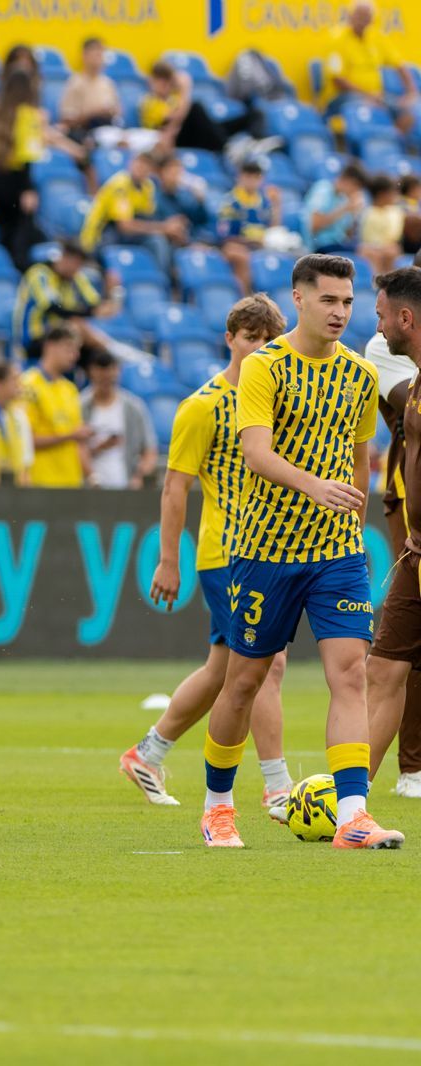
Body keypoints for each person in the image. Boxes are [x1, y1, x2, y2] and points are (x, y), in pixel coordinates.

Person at [195, 253, 401, 849]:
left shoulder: (360, 375)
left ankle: (353, 817)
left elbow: (359, 459)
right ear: (300, 299)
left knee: (351, 675)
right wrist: (316, 486)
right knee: (243, 682)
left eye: (348, 302)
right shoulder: (265, 367)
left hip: (337, 554)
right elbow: (256, 453)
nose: (339, 312)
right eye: (328, 300)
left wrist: (354, 520)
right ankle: (218, 806)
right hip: (266, 550)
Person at [134, 294, 293, 811]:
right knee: (267, 663)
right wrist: (168, 560)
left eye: (269, 340)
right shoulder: (203, 406)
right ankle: (277, 788)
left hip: (271, 548)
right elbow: (174, 487)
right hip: (227, 553)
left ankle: (147, 754)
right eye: (250, 338)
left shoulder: (278, 401)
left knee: (224, 669)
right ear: (230, 339)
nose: (259, 347)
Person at [366, 268, 421, 784]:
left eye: (382, 316)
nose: (377, 327)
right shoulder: (415, 380)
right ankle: (349, 799)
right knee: (383, 667)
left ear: (406, 317)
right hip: (415, 549)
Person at [0, 69, 77, 270]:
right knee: (21, 245)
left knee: (6, 236)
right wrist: (28, 188)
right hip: (17, 183)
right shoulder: (28, 115)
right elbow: (27, 155)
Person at [325, 0, 418, 132]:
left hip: (376, 96)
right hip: (344, 97)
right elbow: (338, 80)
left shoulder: (376, 37)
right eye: (358, 16)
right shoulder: (337, 39)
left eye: (366, 17)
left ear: (372, 19)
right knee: (368, 106)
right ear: (350, 16)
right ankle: (366, 143)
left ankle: (390, 140)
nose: (362, 20)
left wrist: (411, 91)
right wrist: (367, 95)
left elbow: (400, 64)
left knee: (406, 113)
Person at [81, 152, 178, 272]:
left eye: (146, 166)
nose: (141, 168)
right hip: (101, 235)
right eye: (139, 164)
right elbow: (124, 226)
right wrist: (164, 228)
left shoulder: (148, 186)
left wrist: (170, 226)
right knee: (157, 240)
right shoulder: (120, 185)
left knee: (164, 240)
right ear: (131, 164)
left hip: (126, 234)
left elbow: (146, 217)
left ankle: (156, 278)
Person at [21, 327, 91, 488]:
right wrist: (69, 436)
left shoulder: (70, 389)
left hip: (71, 483)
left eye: (77, 350)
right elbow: (25, 440)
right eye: (69, 347)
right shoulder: (28, 386)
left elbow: (78, 441)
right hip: (40, 482)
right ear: (49, 346)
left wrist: (91, 475)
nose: (75, 355)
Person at [13, 241, 105, 361]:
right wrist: (88, 312)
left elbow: (95, 303)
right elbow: (53, 307)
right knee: (76, 327)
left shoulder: (75, 277)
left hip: (62, 334)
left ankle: (110, 353)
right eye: (76, 264)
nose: (77, 270)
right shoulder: (39, 274)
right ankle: (114, 350)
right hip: (34, 338)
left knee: (92, 351)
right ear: (65, 258)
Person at [80, 350, 157, 490]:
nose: (106, 383)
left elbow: (149, 450)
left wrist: (139, 477)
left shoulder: (134, 407)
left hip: (126, 486)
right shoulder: (80, 406)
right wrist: (100, 448)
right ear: (91, 373)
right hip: (88, 489)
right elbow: (73, 450)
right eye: (101, 379)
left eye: (110, 379)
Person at [217, 160, 282, 292]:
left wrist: (277, 205)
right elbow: (226, 237)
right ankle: (246, 297)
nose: (252, 181)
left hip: (260, 246)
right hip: (237, 245)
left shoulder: (264, 202)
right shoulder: (230, 202)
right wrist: (252, 241)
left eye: (255, 177)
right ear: (240, 177)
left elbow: (273, 228)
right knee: (240, 256)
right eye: (248, 176)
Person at [59, 37, 122, 139]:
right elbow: (67, 120)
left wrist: (113, 111)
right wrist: (94, 113)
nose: (100, 58)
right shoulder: (75, 82)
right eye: (96, 54)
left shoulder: (108, 83)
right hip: (85, 132)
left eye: (101, 54)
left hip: (108, 130)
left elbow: (117, 113)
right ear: (85, 55)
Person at [303, 161, 367, 254]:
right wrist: (345, 208)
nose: (356, 192)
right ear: (350, 182)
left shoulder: (343, 198)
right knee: (368, 253)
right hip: (320, 247)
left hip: (337, 245)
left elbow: (347, 236)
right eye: (357, 187)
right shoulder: (323, 189)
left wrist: (354, 215)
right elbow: (315, 225)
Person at [360, 175, 406, 275]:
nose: (396, 195)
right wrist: (378, 248)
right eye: (392, 193)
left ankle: (390, 281)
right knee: (370, 253)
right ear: (382, 194)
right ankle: (375, 281)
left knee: (392, 251)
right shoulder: (367, 212)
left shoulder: (396, 212)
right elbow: (366, 237)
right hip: (370, 248)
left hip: (389, 247)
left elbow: (394, 236)